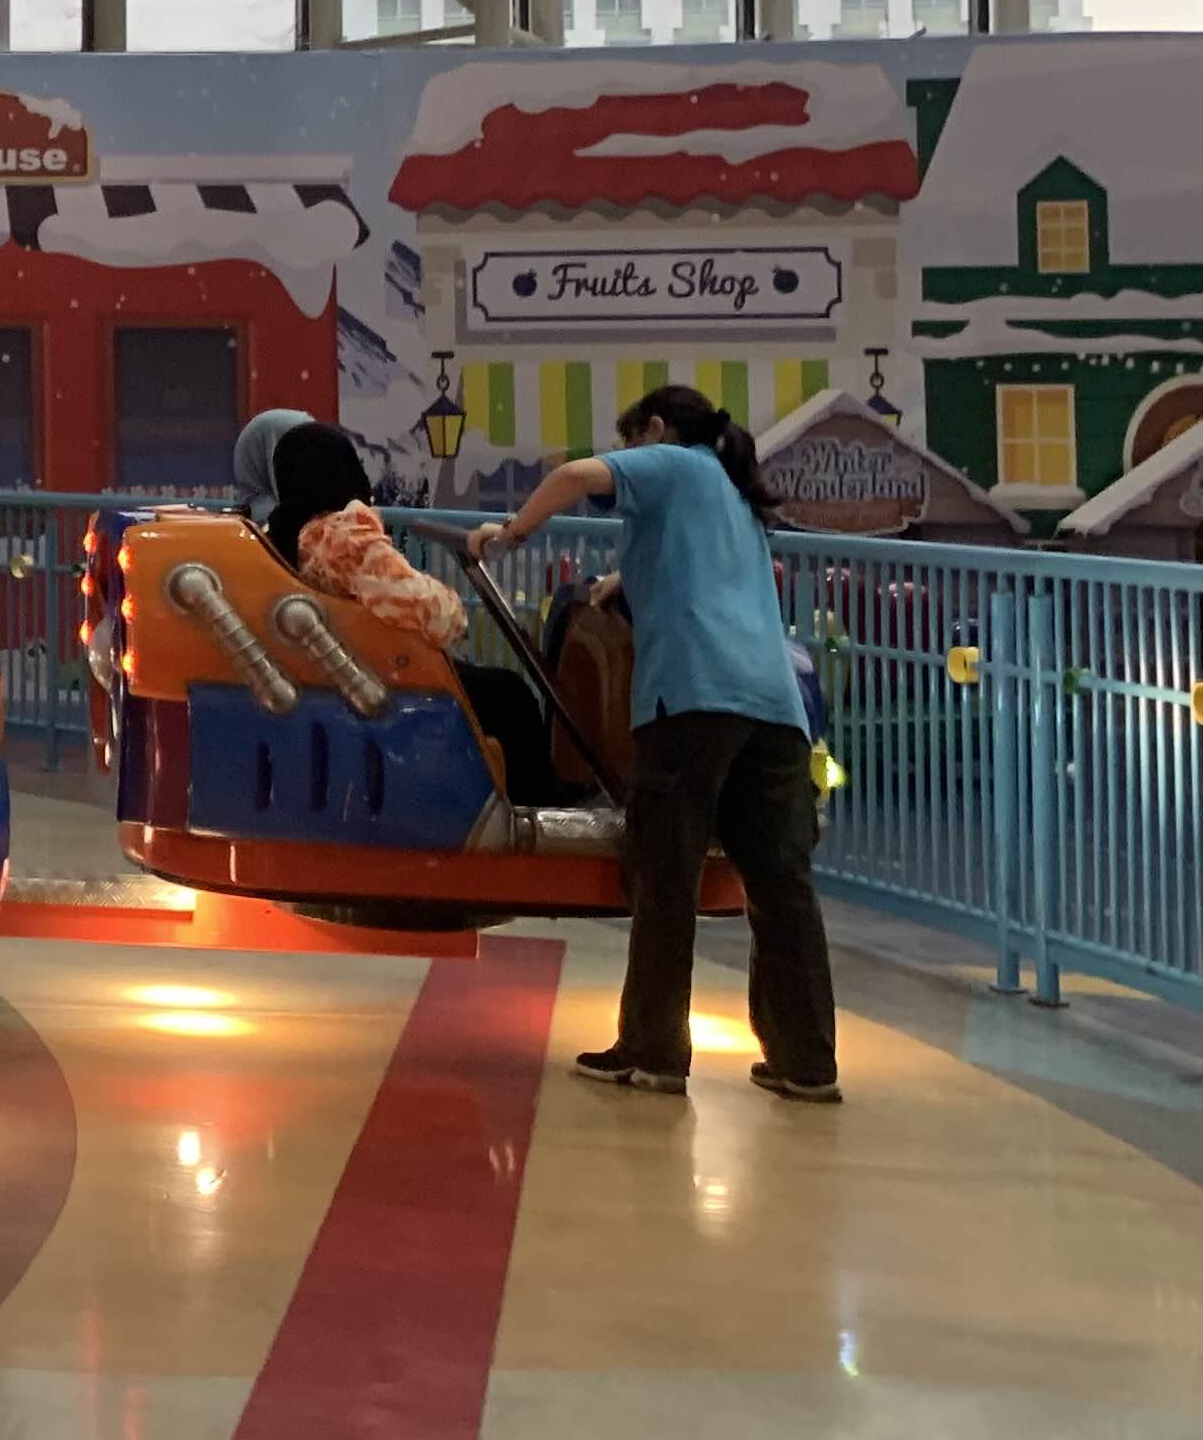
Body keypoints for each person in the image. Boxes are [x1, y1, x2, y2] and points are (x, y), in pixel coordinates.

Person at [473, 385, 838, 1104]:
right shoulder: (733, 492)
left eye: (631, 439)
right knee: (781, 884)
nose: (629, 455)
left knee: (665, 873)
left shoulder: (677, 463)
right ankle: (807, 1061)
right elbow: (704, 576)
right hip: (774, 706)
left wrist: (508, 534)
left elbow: (573, 476)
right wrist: (624, 579)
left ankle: (653, 1049)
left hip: (694, 697)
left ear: (659, 428)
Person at [255, 417, 563, 802]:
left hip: (339, 671)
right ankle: (535, 805)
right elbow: (433, 614)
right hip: (384, 674)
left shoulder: (276, 535)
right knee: (510, 693)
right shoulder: (342, 536)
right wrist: (453, 607)